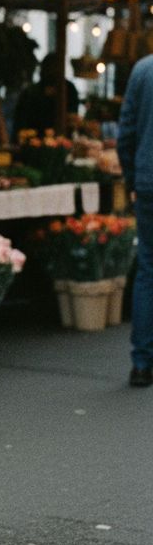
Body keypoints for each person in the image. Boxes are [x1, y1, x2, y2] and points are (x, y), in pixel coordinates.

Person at [117, 55, 153, 387]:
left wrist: (132, 179)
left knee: (148, 270)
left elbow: (125, 132)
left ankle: (142, 363)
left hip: (148, 183)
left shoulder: (142, 69)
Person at [13, 53, 80, 139]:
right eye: (50, 68)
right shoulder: (31, 92)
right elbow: (21, 123)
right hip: (34, 139)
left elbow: (73, 116)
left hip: (61, 139)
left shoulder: (69, 89)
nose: (53, 71)